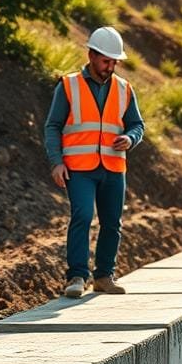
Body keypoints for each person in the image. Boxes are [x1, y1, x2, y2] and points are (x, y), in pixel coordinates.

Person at [43, 26, 145, 298]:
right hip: (79, 169)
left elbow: (137, 124)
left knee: (112, 222)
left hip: (113, 167)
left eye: (114, 62)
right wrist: (56, 161)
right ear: (91, 55)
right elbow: (53, 126)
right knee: (83, 215)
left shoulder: (125, 89)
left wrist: (130, 138)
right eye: (105, 61)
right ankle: (77, 276)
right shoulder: (69, 85)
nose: (110, 66)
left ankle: (103, 276)